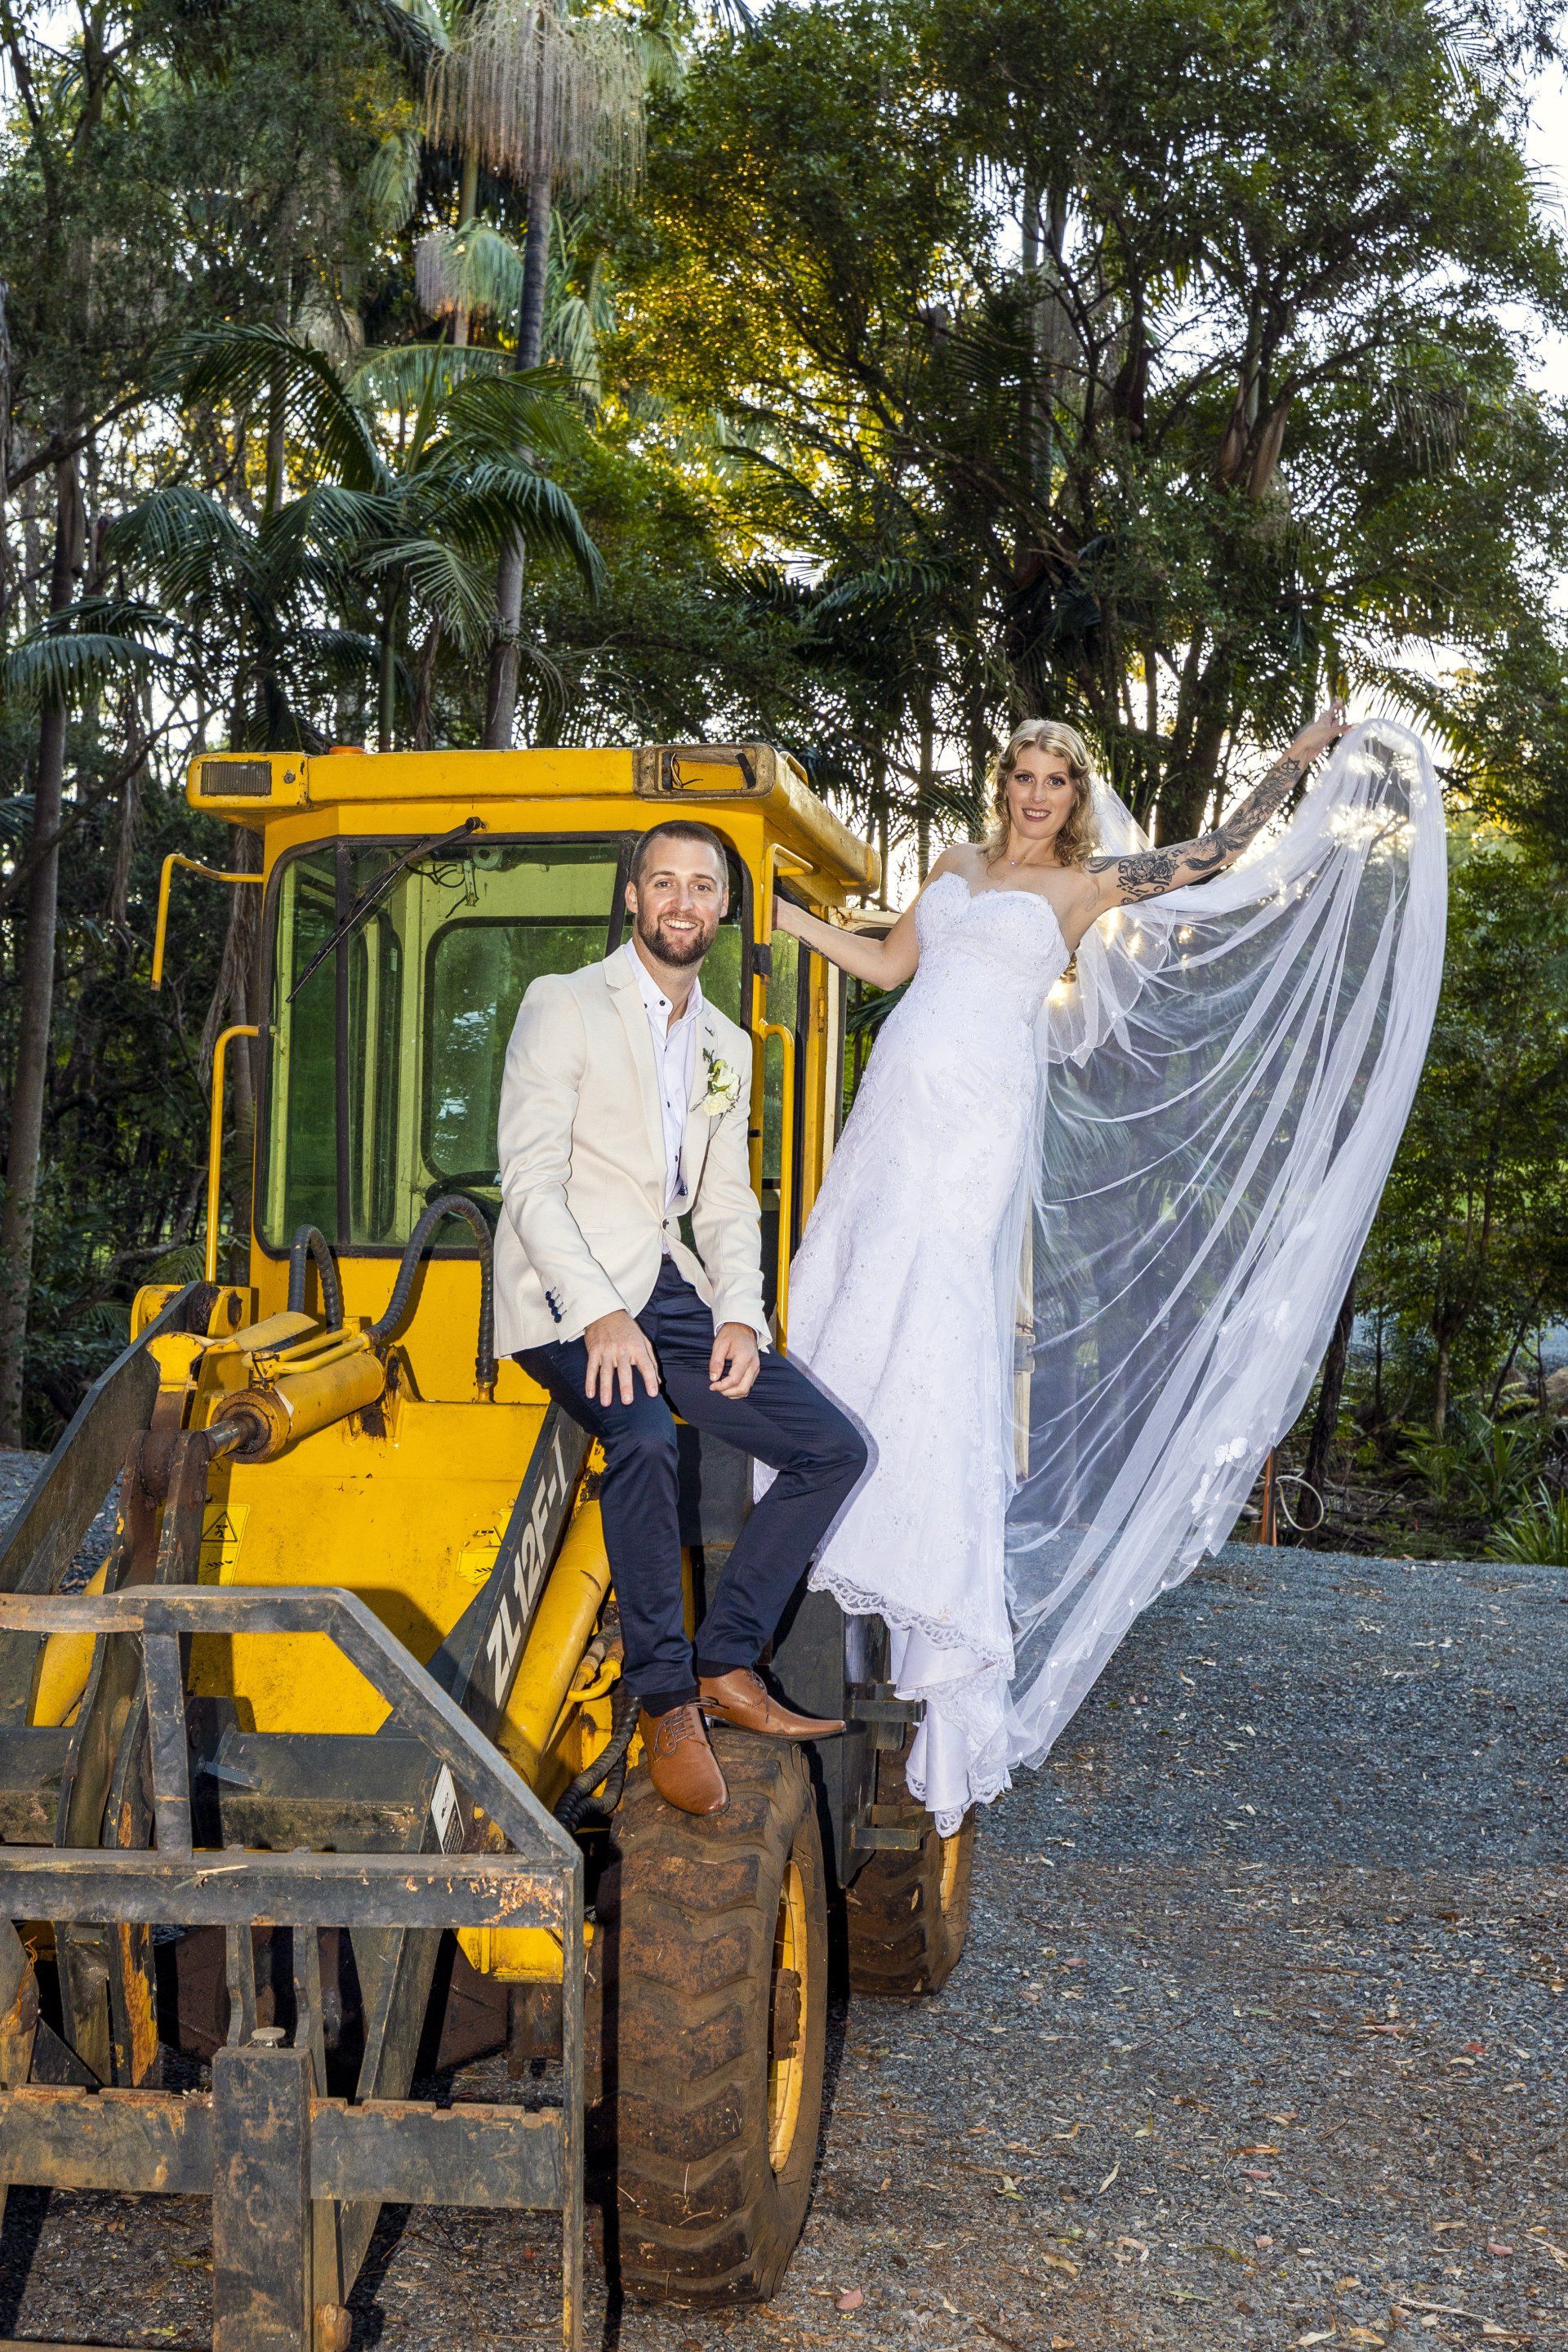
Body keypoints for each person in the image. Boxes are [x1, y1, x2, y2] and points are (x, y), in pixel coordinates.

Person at [772, 708, 1446, 1833]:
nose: (1036, 794)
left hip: (978, 1126)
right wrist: (789, 919)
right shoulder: (950, 865)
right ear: (1001, 784)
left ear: (1075, 796)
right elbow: (889, 963)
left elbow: (1222, 855)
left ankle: (921, 1572)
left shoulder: (1088, 890)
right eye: (1022, 776)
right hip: (893, 1112)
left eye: (1055, 781)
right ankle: (822, 1501)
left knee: (932, 1307)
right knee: (853, 1283)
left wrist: (1290, 762)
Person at [495, 817, 869, 1817]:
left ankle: (726, 1661)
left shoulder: (726, 1045)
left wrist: (741, 1315)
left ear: (723, 909)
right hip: (560, 1295)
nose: (681, 902)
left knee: (829, 1447)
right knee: (648, 1434)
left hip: (668, 1288)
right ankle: (666, 1697)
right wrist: (601, 1316)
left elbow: (726, 1201)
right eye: (663, 883)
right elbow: (529, 1186)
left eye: (701, 887)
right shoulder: (563, 1005)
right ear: (633, 897)